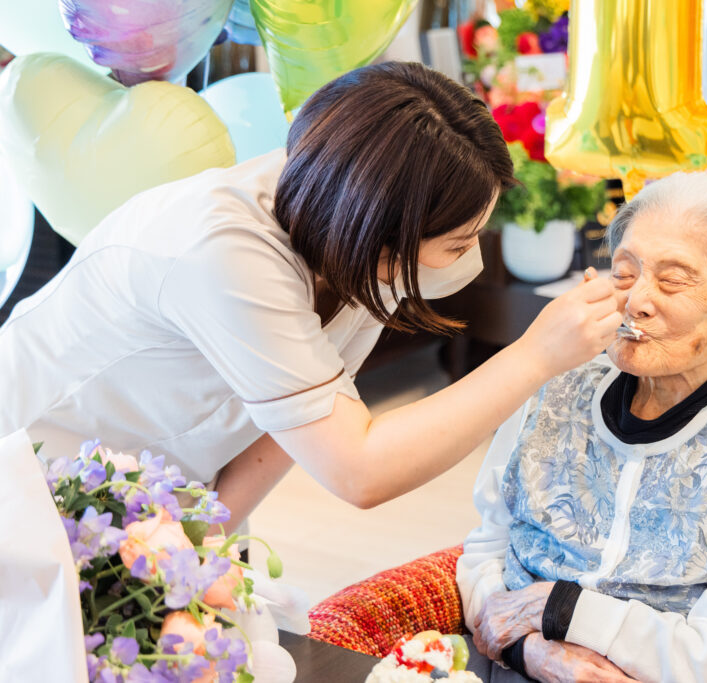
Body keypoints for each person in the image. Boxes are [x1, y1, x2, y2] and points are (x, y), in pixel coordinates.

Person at [0, 61, 621, 529]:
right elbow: (359, 468)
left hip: (153, 491)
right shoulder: (223, 251)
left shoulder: (353, 239)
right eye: (458, 244)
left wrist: (201, 551)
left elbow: (295, 426)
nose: (470, 259)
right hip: (35, 470)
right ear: (382, 233)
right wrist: (536, 356)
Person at [457, 172, 707, 683]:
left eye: (673, 280)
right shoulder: (549, 389)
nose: (636, 301)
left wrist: (565, 608)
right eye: (624, 273)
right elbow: (486, 548)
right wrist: (528, 652)